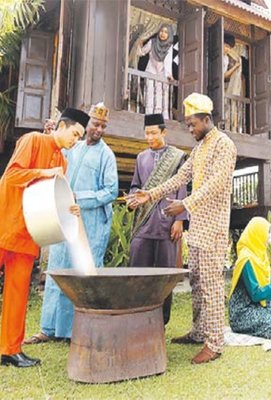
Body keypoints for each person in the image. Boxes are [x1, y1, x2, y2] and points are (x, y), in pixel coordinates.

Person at [128, 93, 237, 364]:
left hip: (213, 228)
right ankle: (199, 332)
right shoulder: (199, 149)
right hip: (197, 228)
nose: (190, 129)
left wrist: (183, 204)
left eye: (192, 124)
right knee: (198, 282)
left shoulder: (224, 145)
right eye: (188, 124)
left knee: (211, 286)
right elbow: (180, 176)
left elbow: (215, 184)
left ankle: (215, 343)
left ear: (207, 119)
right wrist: (150, 195)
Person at [0, 108, 90, 367]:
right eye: (74, 134)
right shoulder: (33, 140)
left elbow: (55, 199)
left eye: (79, 137)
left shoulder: (63, 162)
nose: (75, 141)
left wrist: (69, 207)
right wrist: (44, 173)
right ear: (61, 126)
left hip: (30, 233)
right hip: (6, 223)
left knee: (17, 296)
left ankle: (10, 350)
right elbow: (12, 176)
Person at [24, 102, 118, 344]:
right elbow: (54, 159)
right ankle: (47, 329)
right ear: (87, 125)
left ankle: (72, 331)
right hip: (62, 219)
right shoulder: (72, 148)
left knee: (80, 275)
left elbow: (110, 191)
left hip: (90, 224)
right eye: (95, 124)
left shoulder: (106, 154)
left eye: (103, 126)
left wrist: (81, 198)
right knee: (57, 271)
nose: (98, 129)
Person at [128, 113, 187, 325]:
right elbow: (136, 185)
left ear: (164, 132)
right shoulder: (141, 157)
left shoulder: (178, 156)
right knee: (137, 272)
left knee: (165, 276)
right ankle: (136, 317)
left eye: (153, 133)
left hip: (167, 223)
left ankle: (161, 321)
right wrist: (133, 198)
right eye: (147, 133)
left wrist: (180, 219)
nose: (149, 137)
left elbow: (182, 187)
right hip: (144, 223)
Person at [229, 217, 271, 338]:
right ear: (257, 234)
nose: (269, 237)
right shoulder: (246, 260)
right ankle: (241, 326)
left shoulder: (259, 254)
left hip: (260, 305)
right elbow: (256, 294)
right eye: (267, 233)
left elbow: (262, 279)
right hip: (244, 310)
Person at [138, 24, 174, 119]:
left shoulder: (169, 47)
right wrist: (139, 42)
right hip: (151, 72)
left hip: (162, 74)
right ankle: (149, 116)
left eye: (166, 32)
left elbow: (168, 62)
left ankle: (162, 118)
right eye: (161, 31)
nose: (163, 34)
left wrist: (169, 75)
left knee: (161, 96)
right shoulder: (152, 42)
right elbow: (142, 52)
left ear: (169, 34)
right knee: (150, 94)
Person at [223, 33, 242, 133]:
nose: (226, 49)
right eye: (225, 46)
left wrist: (235, 67)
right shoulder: (216, 55)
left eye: (228, 47)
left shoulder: (226, 58)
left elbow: (224, 75)